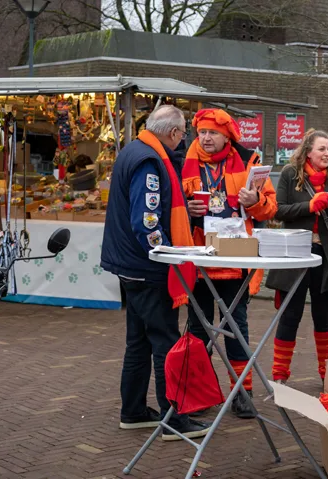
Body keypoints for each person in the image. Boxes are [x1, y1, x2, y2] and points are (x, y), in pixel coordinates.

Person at [101, 105, 210, 441]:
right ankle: (173, 417)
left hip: (130, 266)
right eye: (183, 135)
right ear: (174, 133)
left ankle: (133, 411)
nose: (183, 142)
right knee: (164, 339)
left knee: (138, 341)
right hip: (148, 267)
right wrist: (168, 253)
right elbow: (146, 220)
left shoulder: (134, 150)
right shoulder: (150, 161)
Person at [181, 108, 278, 418]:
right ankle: (196, 393)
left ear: (227, 136)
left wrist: (256, 202)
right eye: (202, 132)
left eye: (212, 133)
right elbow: (172, 207)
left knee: (237, 326)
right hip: (198, 259)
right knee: (197, 329)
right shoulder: (182, 162)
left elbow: (270, 208)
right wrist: (187, 208)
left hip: (236, 260)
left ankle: (242, 392)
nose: (206, 138)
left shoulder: (250, 162)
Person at [265, 129, 328, 386]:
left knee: (324, 317)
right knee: (289, 315)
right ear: (308, 151)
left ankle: (327, 375)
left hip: (324, 256)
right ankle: (279, 376)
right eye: (322, 149)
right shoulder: (289, 174)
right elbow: (279, 210)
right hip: (294, 254)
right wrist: (308, 206)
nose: (327, 153)